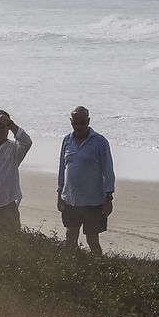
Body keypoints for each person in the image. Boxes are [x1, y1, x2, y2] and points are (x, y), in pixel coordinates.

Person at [56, 106, 115, 255]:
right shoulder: (66, 141)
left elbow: (108, 170)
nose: (79, 126)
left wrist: (109, 198)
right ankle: (72, 267)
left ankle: (99, 269)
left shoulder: (100, 142)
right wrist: (59, 194)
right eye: (76, 123)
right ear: (71, 122)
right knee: (70, 237)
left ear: (88, 121)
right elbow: (62, 168)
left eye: (82, 123)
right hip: (71, 199)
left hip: (93, 201)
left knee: (92, 240)